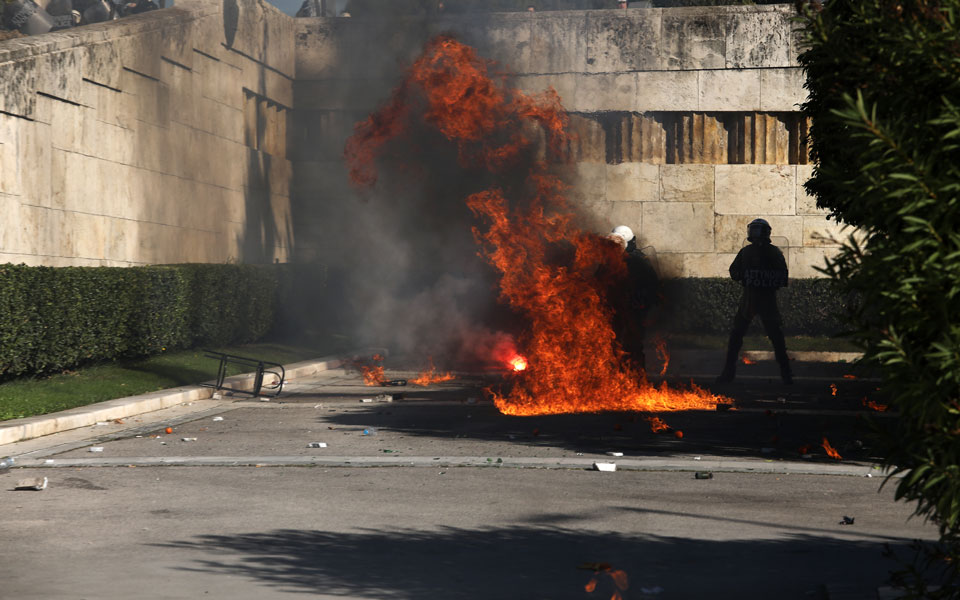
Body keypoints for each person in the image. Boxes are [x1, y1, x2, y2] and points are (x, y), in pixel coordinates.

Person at [716, 218, 792, 384]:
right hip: (760, 300)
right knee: (772, 337)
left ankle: (728, 373)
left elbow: (734, 272)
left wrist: (747, 276)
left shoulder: (750, 252)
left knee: (740, 336)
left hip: (755, 299)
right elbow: (782, 275)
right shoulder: (771, 252)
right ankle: (786, 375)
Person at [608, 225, 659, 375]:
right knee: (615, 343)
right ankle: (618, 377)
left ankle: (636, 377)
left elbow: (653, 285)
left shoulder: (640, 262)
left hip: (635, 309)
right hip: (617, 309)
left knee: (633, 344)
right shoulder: (611, 260)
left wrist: (643, 302)